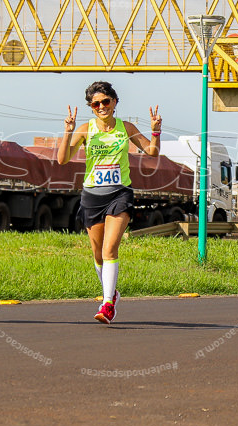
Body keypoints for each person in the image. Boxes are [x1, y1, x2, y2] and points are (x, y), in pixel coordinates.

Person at [58, 81, 161, 324]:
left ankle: (107, 304)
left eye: (105, 101)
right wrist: (68, 131)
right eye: (95, 104)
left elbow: (152, 152)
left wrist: (156, 131)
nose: (101, 106)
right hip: (92, 195)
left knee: (109, 249)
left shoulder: (126, 128)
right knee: (97, 254)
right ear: (91, 107)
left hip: (119, 194)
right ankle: (111, 291)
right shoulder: (85, 129)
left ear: (114, 102)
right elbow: (62, 160)